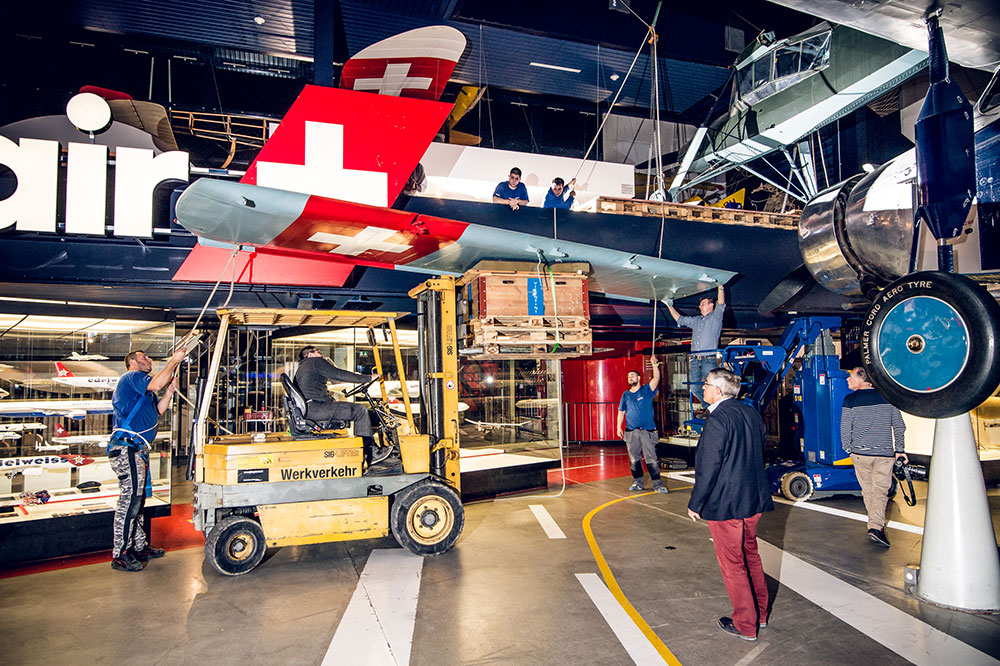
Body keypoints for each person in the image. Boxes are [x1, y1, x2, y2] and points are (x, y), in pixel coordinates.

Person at [688, 368, 773, 641]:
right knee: (751, 557)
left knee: (733, 564)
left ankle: (746, 625)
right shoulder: (751, 413)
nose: (703, 389)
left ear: (718, 390)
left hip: (727, 504)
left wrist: (696, 503)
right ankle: (760, 614)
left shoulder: (717, 419)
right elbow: (759, 453)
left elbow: (709, 465)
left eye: (706, 384)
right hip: (753, 499)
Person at [108, 347, 186, 572]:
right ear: (132, 362)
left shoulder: (142, 390)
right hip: (128, 448)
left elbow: (158, 411)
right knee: (130, 500)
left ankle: (138, 545)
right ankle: (121, 553)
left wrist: (169, 393)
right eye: (144, 357)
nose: (149, 360)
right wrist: (174, 360)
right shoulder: (133, 377)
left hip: (137, 449)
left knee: (138, 500)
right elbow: (156, 383)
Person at [840, 366, 907, 548]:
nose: (848, 380)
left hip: (860, 455)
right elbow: (899, 426)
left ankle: (875, 526)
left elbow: (845, 428)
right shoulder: (887, 397)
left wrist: (848, 449)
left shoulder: (850, 400)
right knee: (879, 491)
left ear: (861, 379)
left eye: (851, 377)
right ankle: (876, 527)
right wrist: (899, 449)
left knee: (868, 491)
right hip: (883, 455)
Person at [294, 346, 389, 463]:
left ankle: (367, 450)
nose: (321, 353)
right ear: (310, 354)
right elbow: (339, 374)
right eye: (317, 351)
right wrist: (367, 378)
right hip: (317, 408)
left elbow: (335, 380)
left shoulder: (303, 367)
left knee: (353, 409)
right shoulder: (315, 362)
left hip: (311, 409)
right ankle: (371, 454)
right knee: (360, 411)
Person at [665, 284, 725, 408]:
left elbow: (721, 303)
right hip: (694, 360)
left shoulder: (715, 318)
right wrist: (668, 305)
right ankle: (708, 408)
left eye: (703, 304)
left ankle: (715, 408)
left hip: (708, 359)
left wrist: (720, 287)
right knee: (694, 387)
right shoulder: (696, 320)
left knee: (713, 386)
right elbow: (680, 319)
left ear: (711, 305)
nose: (699, 306)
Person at [616, 355, 667, 493]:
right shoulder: (625, 395)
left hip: (647, 432)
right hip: (631, 432)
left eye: (632, 376)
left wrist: (654, 366)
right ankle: (637, 483)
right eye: (628, 377)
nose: (630, 378)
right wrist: (618, 427)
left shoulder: (646, 390)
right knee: (634, 459)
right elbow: (621, 412)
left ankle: (658, 485)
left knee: (651, 459)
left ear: (639, 378)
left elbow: (656, 379)